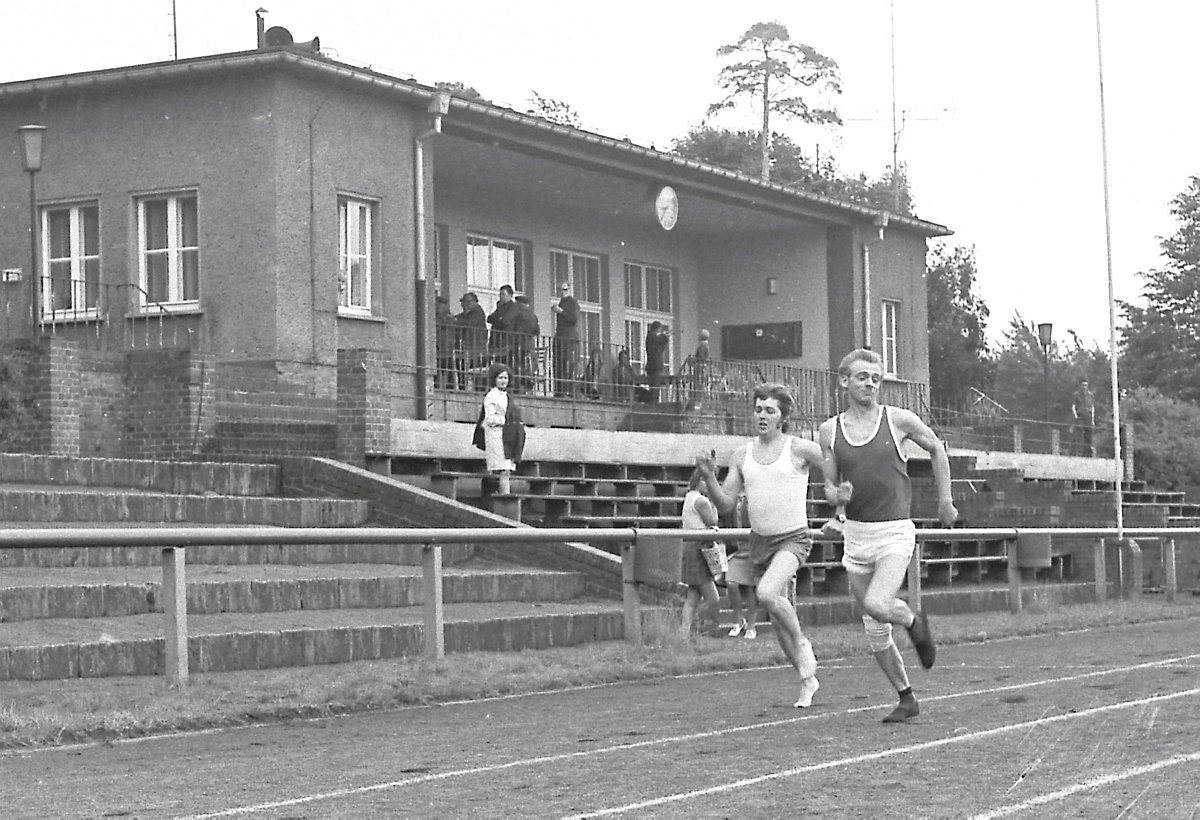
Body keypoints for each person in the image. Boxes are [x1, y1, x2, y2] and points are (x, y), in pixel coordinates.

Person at [818, 348, 958, 724]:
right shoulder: (829, 430)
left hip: (894, 530)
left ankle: (914, 622)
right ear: (845, 381)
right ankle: (906, 697)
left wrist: (945, 500)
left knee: (880, 604)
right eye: (863, 377)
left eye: (876, 378)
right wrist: (837, 498)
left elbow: (936, 449)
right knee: (874, 627)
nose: (870, 384)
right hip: (857, 535)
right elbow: (829, 486)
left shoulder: (897, 420)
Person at [696, 383, 823, 708]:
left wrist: (839, 504)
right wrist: (709, 477)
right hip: (759, 542)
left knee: (766, 595)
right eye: (759, 409)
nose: (763, 416)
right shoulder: (742, 454)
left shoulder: (800, 449)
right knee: (776, 619)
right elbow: (725, 504)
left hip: (794, 538)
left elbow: (835, 467)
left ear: (783, 416)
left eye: (770, 410)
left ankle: (803, 643)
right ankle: (807, 680)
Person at [679, 467, 722, 637]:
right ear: (699, 481)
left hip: (690, 546)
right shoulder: (701, 501)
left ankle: (683, 634)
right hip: (699, 547)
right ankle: (696, 627)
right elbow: (713, 520)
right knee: (713, 598)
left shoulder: (689, 497)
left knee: (693, 597)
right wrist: (713, 501)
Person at [480, 362, 525, 495]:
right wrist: (506, 421)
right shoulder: (491, 396)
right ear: (494, 379)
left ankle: (504, 496)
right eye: (500, 378)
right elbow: (490, 419)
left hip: (509, 436)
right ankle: (504, 497)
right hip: (497, 437)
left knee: (507, 470)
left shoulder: (506, 396)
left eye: (505, 378)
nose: (503, 381)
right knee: (503, 469)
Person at [725, 494, 759, 639]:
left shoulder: (754, 495)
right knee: (731, 582)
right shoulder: (731, 497)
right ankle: (739, 620)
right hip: (736, 549)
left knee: (750, 587)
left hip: (752, 547)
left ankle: (752, 625)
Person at [551, 281, 580, 397]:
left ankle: (566, 390)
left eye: (565, 290)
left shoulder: (572, 303)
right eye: (561, 290)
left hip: (568, 337)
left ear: (569, 290)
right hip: (561, 336)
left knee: (567, 364)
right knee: (558, 364)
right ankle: (559, 390)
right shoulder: (562, 302)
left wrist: (561, 311)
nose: (562, 292)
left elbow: (574, 319)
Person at [454, 292, 488, 390]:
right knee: (464, 369)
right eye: (463, 302)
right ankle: (463, 388)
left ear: (473, 302)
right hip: (467, 347)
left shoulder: (478, 313)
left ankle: (477, 390)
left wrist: (455, 321)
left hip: (476, 347)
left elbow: (468, 323)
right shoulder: (466, 314)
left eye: (466, 302)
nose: (463, 305)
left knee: (475, 371)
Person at [487, 285, 519, 368]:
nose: (501, 296)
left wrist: (498, 319)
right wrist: (499, 318)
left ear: (510, 295)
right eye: (500, 294)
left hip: (506, 340)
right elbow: (489, 318)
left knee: (505, 364)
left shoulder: (513, 307)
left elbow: (505, 321)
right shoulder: (500, 307)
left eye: (503, 294)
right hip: (496, 341)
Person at [434, 287, 456, 389]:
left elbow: (442, 324)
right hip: (440, 345)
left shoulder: (447, 317)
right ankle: (438, 385)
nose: (436, 307)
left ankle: (450, 387)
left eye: (438, 305)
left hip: (445, 345)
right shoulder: (441, 316)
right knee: (440, 367)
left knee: (447, 367)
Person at [644, 321, 670, 402]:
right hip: (654, 366)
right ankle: (653, 403)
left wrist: (664, 338)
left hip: (656, 366)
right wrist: (664, 336)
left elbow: (662, 347)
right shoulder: (651, 336)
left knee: (656, 388)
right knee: (654, 388)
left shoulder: (654, 339)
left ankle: (654, 402)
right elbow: (659, 340)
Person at [1072, 379, 1096, 455]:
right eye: (1083, 385)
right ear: (1080, 386)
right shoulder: (1076, 395)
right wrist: (1076, 416)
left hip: (1088, 416)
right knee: (1079, 434)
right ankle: (1078, 452)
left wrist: (1092, 419)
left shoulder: (1090, 395)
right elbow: (1073, 406)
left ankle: (1088, 453)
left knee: (1089, 435)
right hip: (1080, 416)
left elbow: (1092, 407)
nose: (1084, 387)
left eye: (1086, 385)